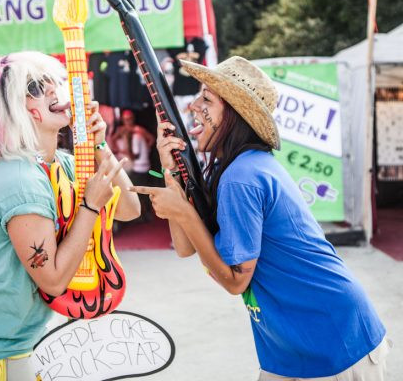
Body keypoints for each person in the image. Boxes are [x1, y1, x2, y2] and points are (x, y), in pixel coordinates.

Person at [130, 56, 391, 381]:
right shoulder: (229, 170)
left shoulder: (242, 175)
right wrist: (169, 170)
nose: (193, 106)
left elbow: (236, 280)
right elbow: (185, 247)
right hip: (287, 342)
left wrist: (182, 210)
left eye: (207, 99)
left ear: (235, 116)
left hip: (333, 337)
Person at [0, 51, 140, 380]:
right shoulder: (20, 179)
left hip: (24, 344)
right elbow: (54, 279)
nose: (50, 90)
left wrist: (99, 145)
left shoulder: (61, 163)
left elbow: (130, 209)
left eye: (49, 82)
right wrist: (89, 207)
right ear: (13, 110)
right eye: (33, 86)